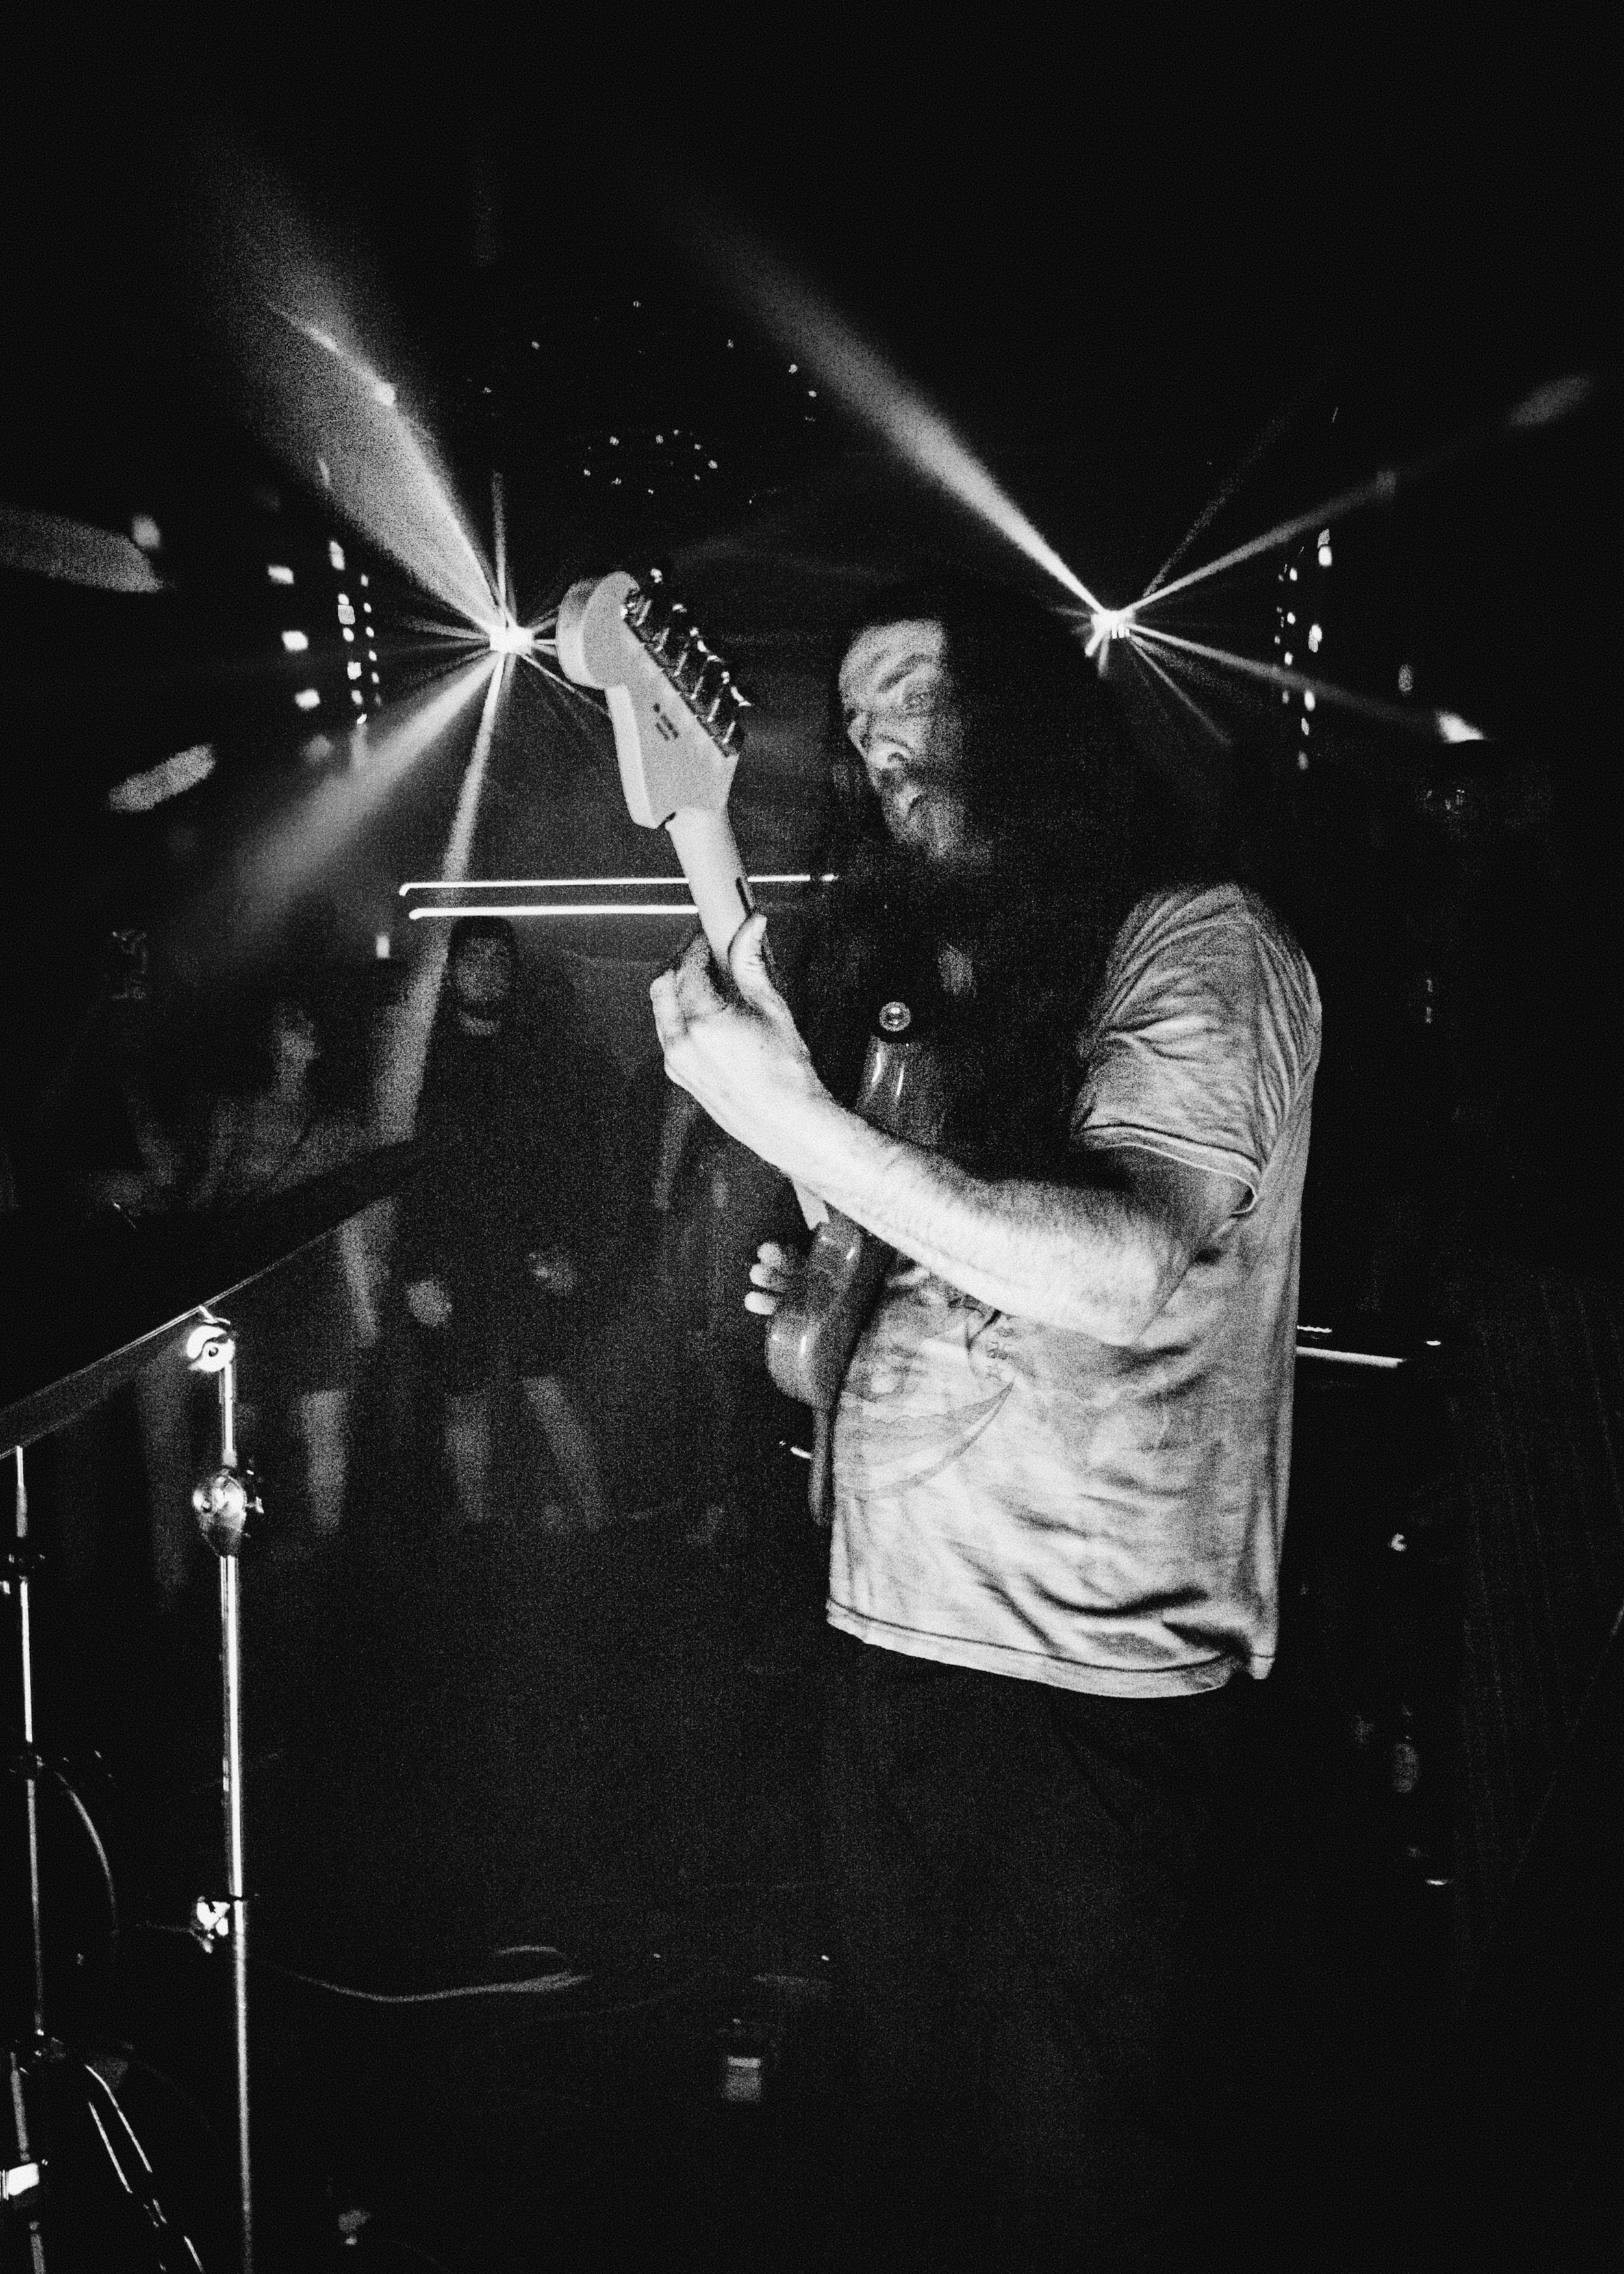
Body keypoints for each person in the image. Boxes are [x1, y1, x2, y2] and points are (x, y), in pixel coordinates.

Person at [650, 577, 1321, 2266]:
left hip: (1081, 1670)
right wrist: (817, 1332)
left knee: (1061, 2163)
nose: (882, 746)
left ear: (1025, 723)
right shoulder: (925, 998)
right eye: (860, 719)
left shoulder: (1195, 938)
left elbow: (1124, 1272)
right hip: (889, 1635)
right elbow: (862, 1324)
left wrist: (796, 1117)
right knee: (916, 2140)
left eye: (919, 701)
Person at [400, 918, 611, 1534]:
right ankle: (476, 1537)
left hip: (529, 1256)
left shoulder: (539, 1058)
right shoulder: (427, 1063)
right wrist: (416, 1270)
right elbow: (409, 1175)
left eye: (498, 958)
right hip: (454, 1260)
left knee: (548, 1387)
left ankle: (598, 1532)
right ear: (452, 971)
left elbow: (571, 1165)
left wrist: (570, 1249)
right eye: (474, 958)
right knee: (465, 1398)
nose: (487, 969)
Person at [186, 991, 374, 1552]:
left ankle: (319, 1565)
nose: (306, 1028)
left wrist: (362, 1308)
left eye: (311, 1019)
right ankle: (226, 1556)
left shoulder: (337, 1123)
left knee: (325, 1431)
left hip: (315, 1289)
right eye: (291, 1020)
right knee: (235, 1436)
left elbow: (349, 1226)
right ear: (267, 1037)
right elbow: (207, 1206)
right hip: (250, 1288)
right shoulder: (235, 1113)